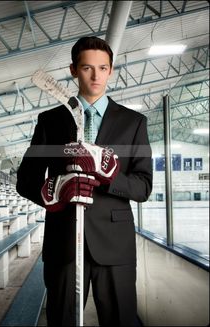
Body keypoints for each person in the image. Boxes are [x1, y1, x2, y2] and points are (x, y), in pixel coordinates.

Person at [16, 36, 152, 326]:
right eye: (87, 68)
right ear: (73, 70)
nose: (96, 76)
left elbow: (143, 186)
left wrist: (111, 176)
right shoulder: (49, 121)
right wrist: (56, 190)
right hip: (64, 244)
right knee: (62, 321)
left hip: (115, 247)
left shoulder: (134, 122)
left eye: (103, 68)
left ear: (111, 70)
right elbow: (25, 180)